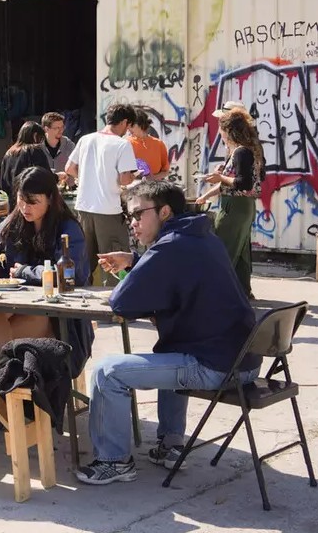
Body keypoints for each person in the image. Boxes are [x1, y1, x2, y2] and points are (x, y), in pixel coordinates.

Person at [76, 181, 259, 485]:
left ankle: (114, 461)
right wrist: (135, 261)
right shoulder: (201, 236)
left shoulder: (169, 246)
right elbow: (176, 270)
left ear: (164, 211)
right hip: (245, 362)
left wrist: (131, 270)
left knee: (107, 372)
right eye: (129, 217)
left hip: (217, 367)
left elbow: (121, 303)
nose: (133, 224)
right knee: (169, 350)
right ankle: (170, 445)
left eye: (137, 215)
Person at [0, 167, 89, 362]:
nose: (25, 208)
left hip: (54, 311)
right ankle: (4, 379)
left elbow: (68, 274)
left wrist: (25, 272)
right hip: (15, 303)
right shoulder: (11, 224)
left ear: (50, 198)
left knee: (1, 346)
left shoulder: (68, 229)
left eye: (33, 202)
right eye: (21, 200)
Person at [65, 103, 137, 286]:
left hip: (83, 208)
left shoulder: (86, 139)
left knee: (84, 260)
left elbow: (69, 169)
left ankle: (79, 301)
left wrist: (90, 178)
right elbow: (124, 179)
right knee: (114, 261)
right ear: (125, 122)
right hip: (109, 210)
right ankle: (114, 304)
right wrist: (134, 177)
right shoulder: (122, 145)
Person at [196, 109, 264, 298]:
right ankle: (242, 291)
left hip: (235, 207)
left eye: (221, 129)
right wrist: (208, 194)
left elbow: (242, 183)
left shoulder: (241, 152)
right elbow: (231, 182)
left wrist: (221, 177)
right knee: (241, 252)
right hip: (243, 206)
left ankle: (215, 293)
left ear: (229, 130)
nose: (220, 133)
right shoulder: (246, 150)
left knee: (221, 249)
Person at [0, 121, 54, 203]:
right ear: (35, 136)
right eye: (41, 139)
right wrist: (57, 177)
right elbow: (45, 176)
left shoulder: (9, 152)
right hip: (30, 202)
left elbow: (3, 183)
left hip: (13, 202)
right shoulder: (34, 150)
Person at [127, 110, 170, 182]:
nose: (129, 129)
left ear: (141, 124)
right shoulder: (126, 144)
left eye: (132, 125)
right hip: (133, 189)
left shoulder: (159, 144)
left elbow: (165, 172)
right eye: (128, 126)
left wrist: (152, 178)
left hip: (155, 189)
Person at [42, 111, 76, 182]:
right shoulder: (37, 147)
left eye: (62, 127)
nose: (61, 130)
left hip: (66, 188)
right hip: (44, 188)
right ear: (46, 129)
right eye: (56, 128)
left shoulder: (69, 145)